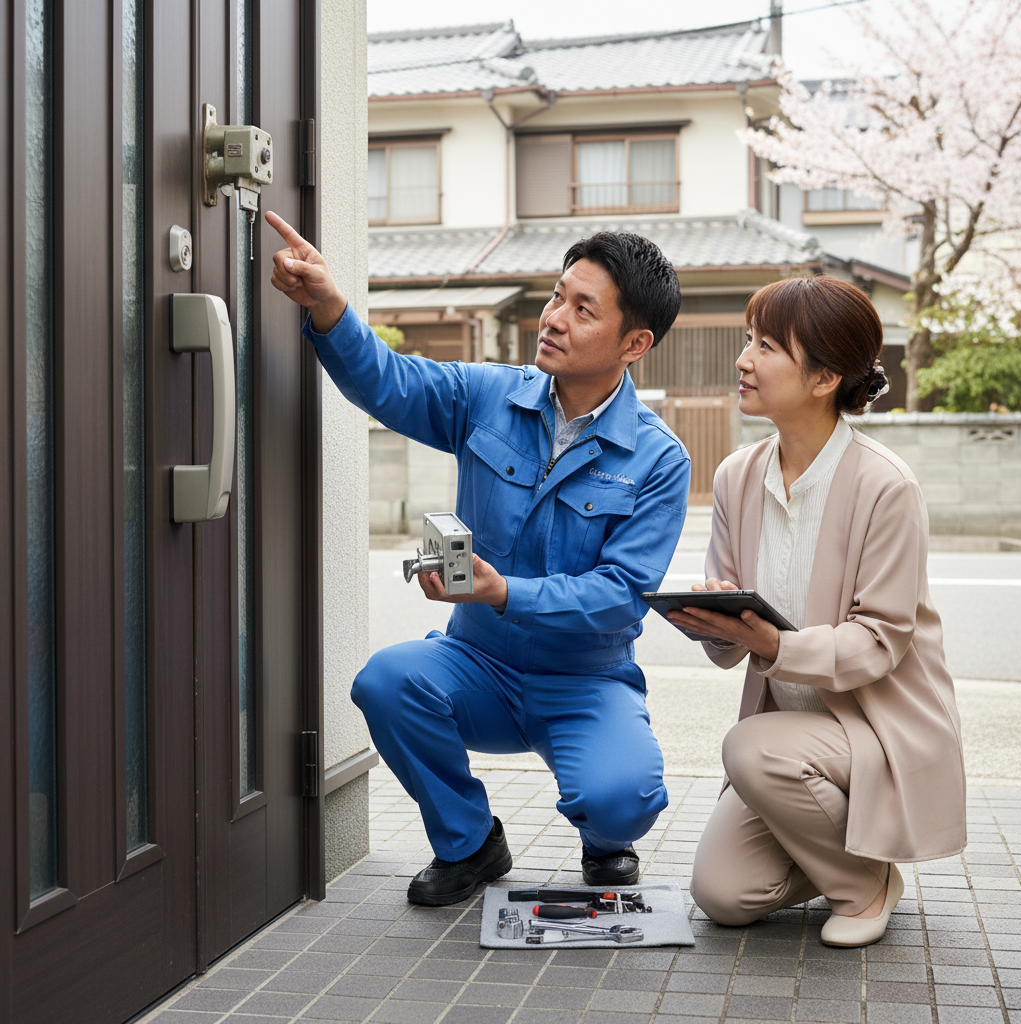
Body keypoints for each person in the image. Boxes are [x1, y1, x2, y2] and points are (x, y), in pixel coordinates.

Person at [266, 211, 690, 905]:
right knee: (386, 680)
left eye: (584, 310)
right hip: (478, 666)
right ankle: (469, 843)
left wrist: (505, 593)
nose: (554, 318)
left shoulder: (658, 459)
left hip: (585, 682)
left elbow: (620, 594)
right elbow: (388, 382)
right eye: (559, 296)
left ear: (634, 342)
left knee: (623, 797)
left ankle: (605, 833)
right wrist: (328, 305)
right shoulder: (485, 396)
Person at [671, 275, 966, 947]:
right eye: (748, 340)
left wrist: (775, 647)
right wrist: (714, 623)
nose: (743, 359)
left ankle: (866, 887)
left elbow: (880, 641)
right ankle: (850, 854)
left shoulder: (885, 486)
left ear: (825, 376)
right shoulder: (735, 477)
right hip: (791, 740)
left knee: (748, 747)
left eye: (766, 346)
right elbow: (733, 642)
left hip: (876, 727)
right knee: (723, 893)